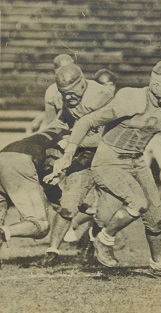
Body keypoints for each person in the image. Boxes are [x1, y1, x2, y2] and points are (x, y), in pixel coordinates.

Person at [46, 61, 161, 277]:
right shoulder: (130, 98)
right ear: (158, 84)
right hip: (109, 160)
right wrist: (68, 153)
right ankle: (104, 240)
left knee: (156, 217)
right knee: (138, 203)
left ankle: (158, 266)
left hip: (137, 162)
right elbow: (87, 121)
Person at [38, 63, 115, 266]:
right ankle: (52, 251)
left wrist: (69, 142)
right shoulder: (66, 97)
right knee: (68, 205)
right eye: (65, 94)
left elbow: (102, 138)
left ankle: (90, 240)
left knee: (108, 209)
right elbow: (63, 120)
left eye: (71, 93)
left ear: (82, 84)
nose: (69, 98)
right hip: (82, 155)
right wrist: (44, 136)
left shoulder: (101, 97)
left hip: (108, 157)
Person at [0, 128, 69, 248]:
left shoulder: (52, 133)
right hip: (18, 162)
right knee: (40, 226)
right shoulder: (73, 140)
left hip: (4, 155)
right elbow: (50, 175)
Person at [32, 54, 75, 131]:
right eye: (64, 69)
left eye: (71, 68)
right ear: (57, 71)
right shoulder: (53, 90)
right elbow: (51, 120)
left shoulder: (83, 84)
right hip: (60, 127)